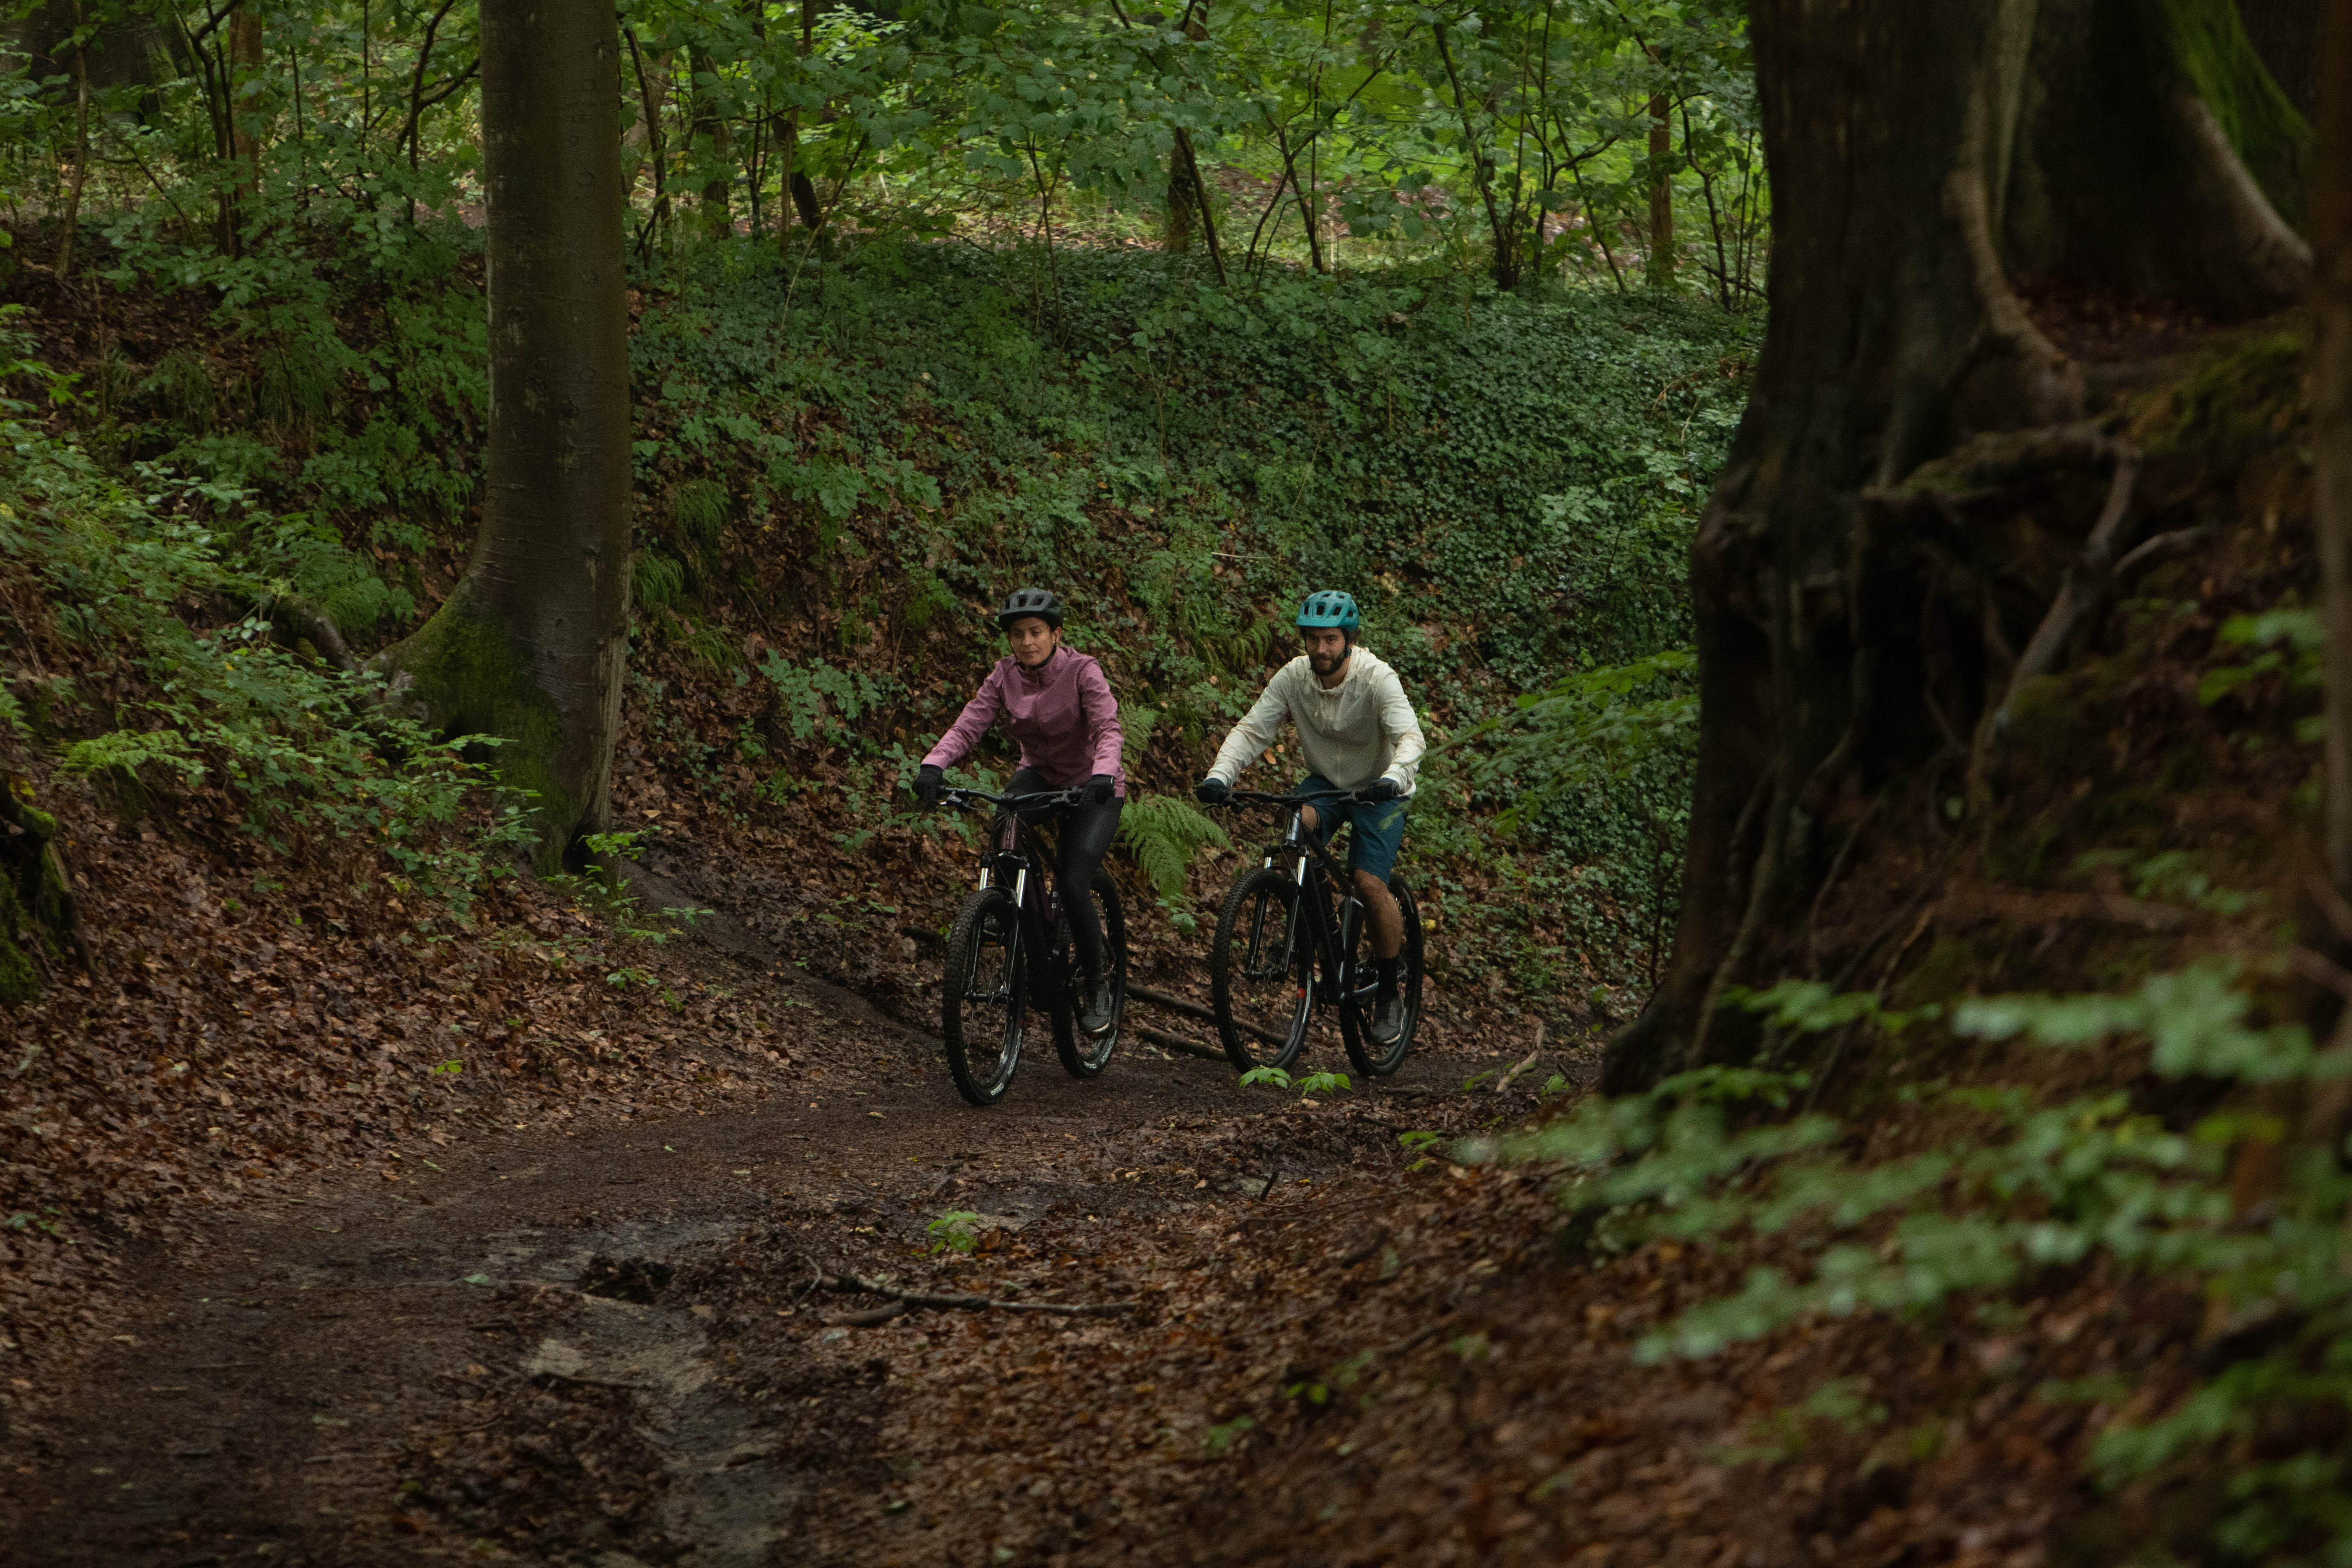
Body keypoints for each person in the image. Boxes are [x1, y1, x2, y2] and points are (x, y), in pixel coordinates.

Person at [1194, 589, 1425, 1044]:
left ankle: (1388, 991)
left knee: (1369, 884)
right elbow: (1252, 729)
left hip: (1380, 788)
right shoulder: (1294, 677)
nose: (1321, 649)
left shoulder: (1378, 678)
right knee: (1295, 831)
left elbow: (1411, 737)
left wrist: (1396, 777)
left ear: (1349, 640)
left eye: (1331, 640)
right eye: (1314, 639)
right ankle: (1323, 925)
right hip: (1324, 783)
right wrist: (1220, 776)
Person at [915, 588, 1124, 1034]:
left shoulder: (1083, 670)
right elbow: (971, 721)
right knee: (1006, 821)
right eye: (1018, 635)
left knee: (1072, 883)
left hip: (1094, 787)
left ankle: (1096, 983)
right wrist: (934, 763)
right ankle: (1009, 915)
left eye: (1036, 632)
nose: (1027, 642)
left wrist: (1103, 774)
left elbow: (1108, 726)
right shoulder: (1004, 675)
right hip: (1041, 776)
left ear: (1056, 634)